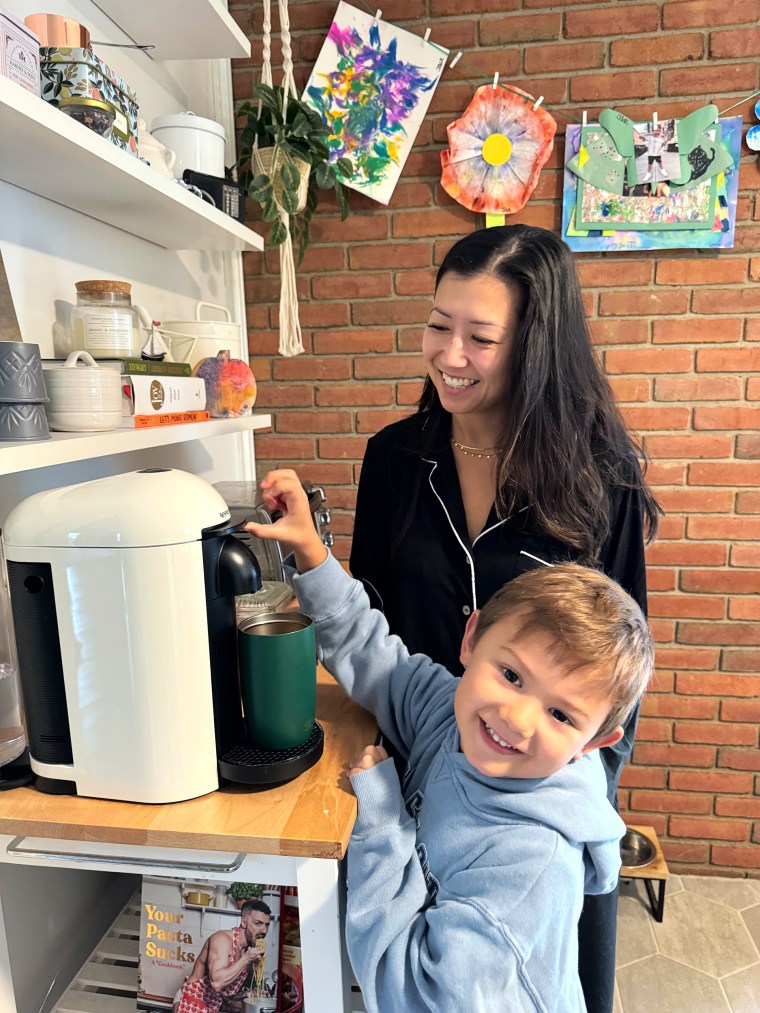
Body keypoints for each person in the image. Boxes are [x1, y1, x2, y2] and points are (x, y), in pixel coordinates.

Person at [348, 224, 661, 1013]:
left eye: (480, 337)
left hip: (530, 803)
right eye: (438, 325)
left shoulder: (601, 478)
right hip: (418, 771)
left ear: (536, 346)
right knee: (406, 976)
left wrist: (570, 810)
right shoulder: (392, 460)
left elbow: (618, 664)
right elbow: (371, 613)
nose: (450, 355)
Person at [245, 469, 655, 1013]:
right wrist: (312, 556)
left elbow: (412, 994)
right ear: (471, 640)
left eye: (560, 713)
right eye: (511, 675)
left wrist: (384, 821)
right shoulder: (450, 713)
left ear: (595, 742)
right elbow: (376, 656)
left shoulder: (531, 863)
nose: (517, 719)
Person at [173, 899, 271, 1013]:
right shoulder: (222, 940)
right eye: (258, 923)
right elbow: (217, 983)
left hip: (211, 1007)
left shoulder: (246, 953)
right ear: (244, 922)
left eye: (266, 925)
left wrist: (246, 994)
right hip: (190, 1000)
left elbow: (223, 992)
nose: (264, 930)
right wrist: (246, 960)